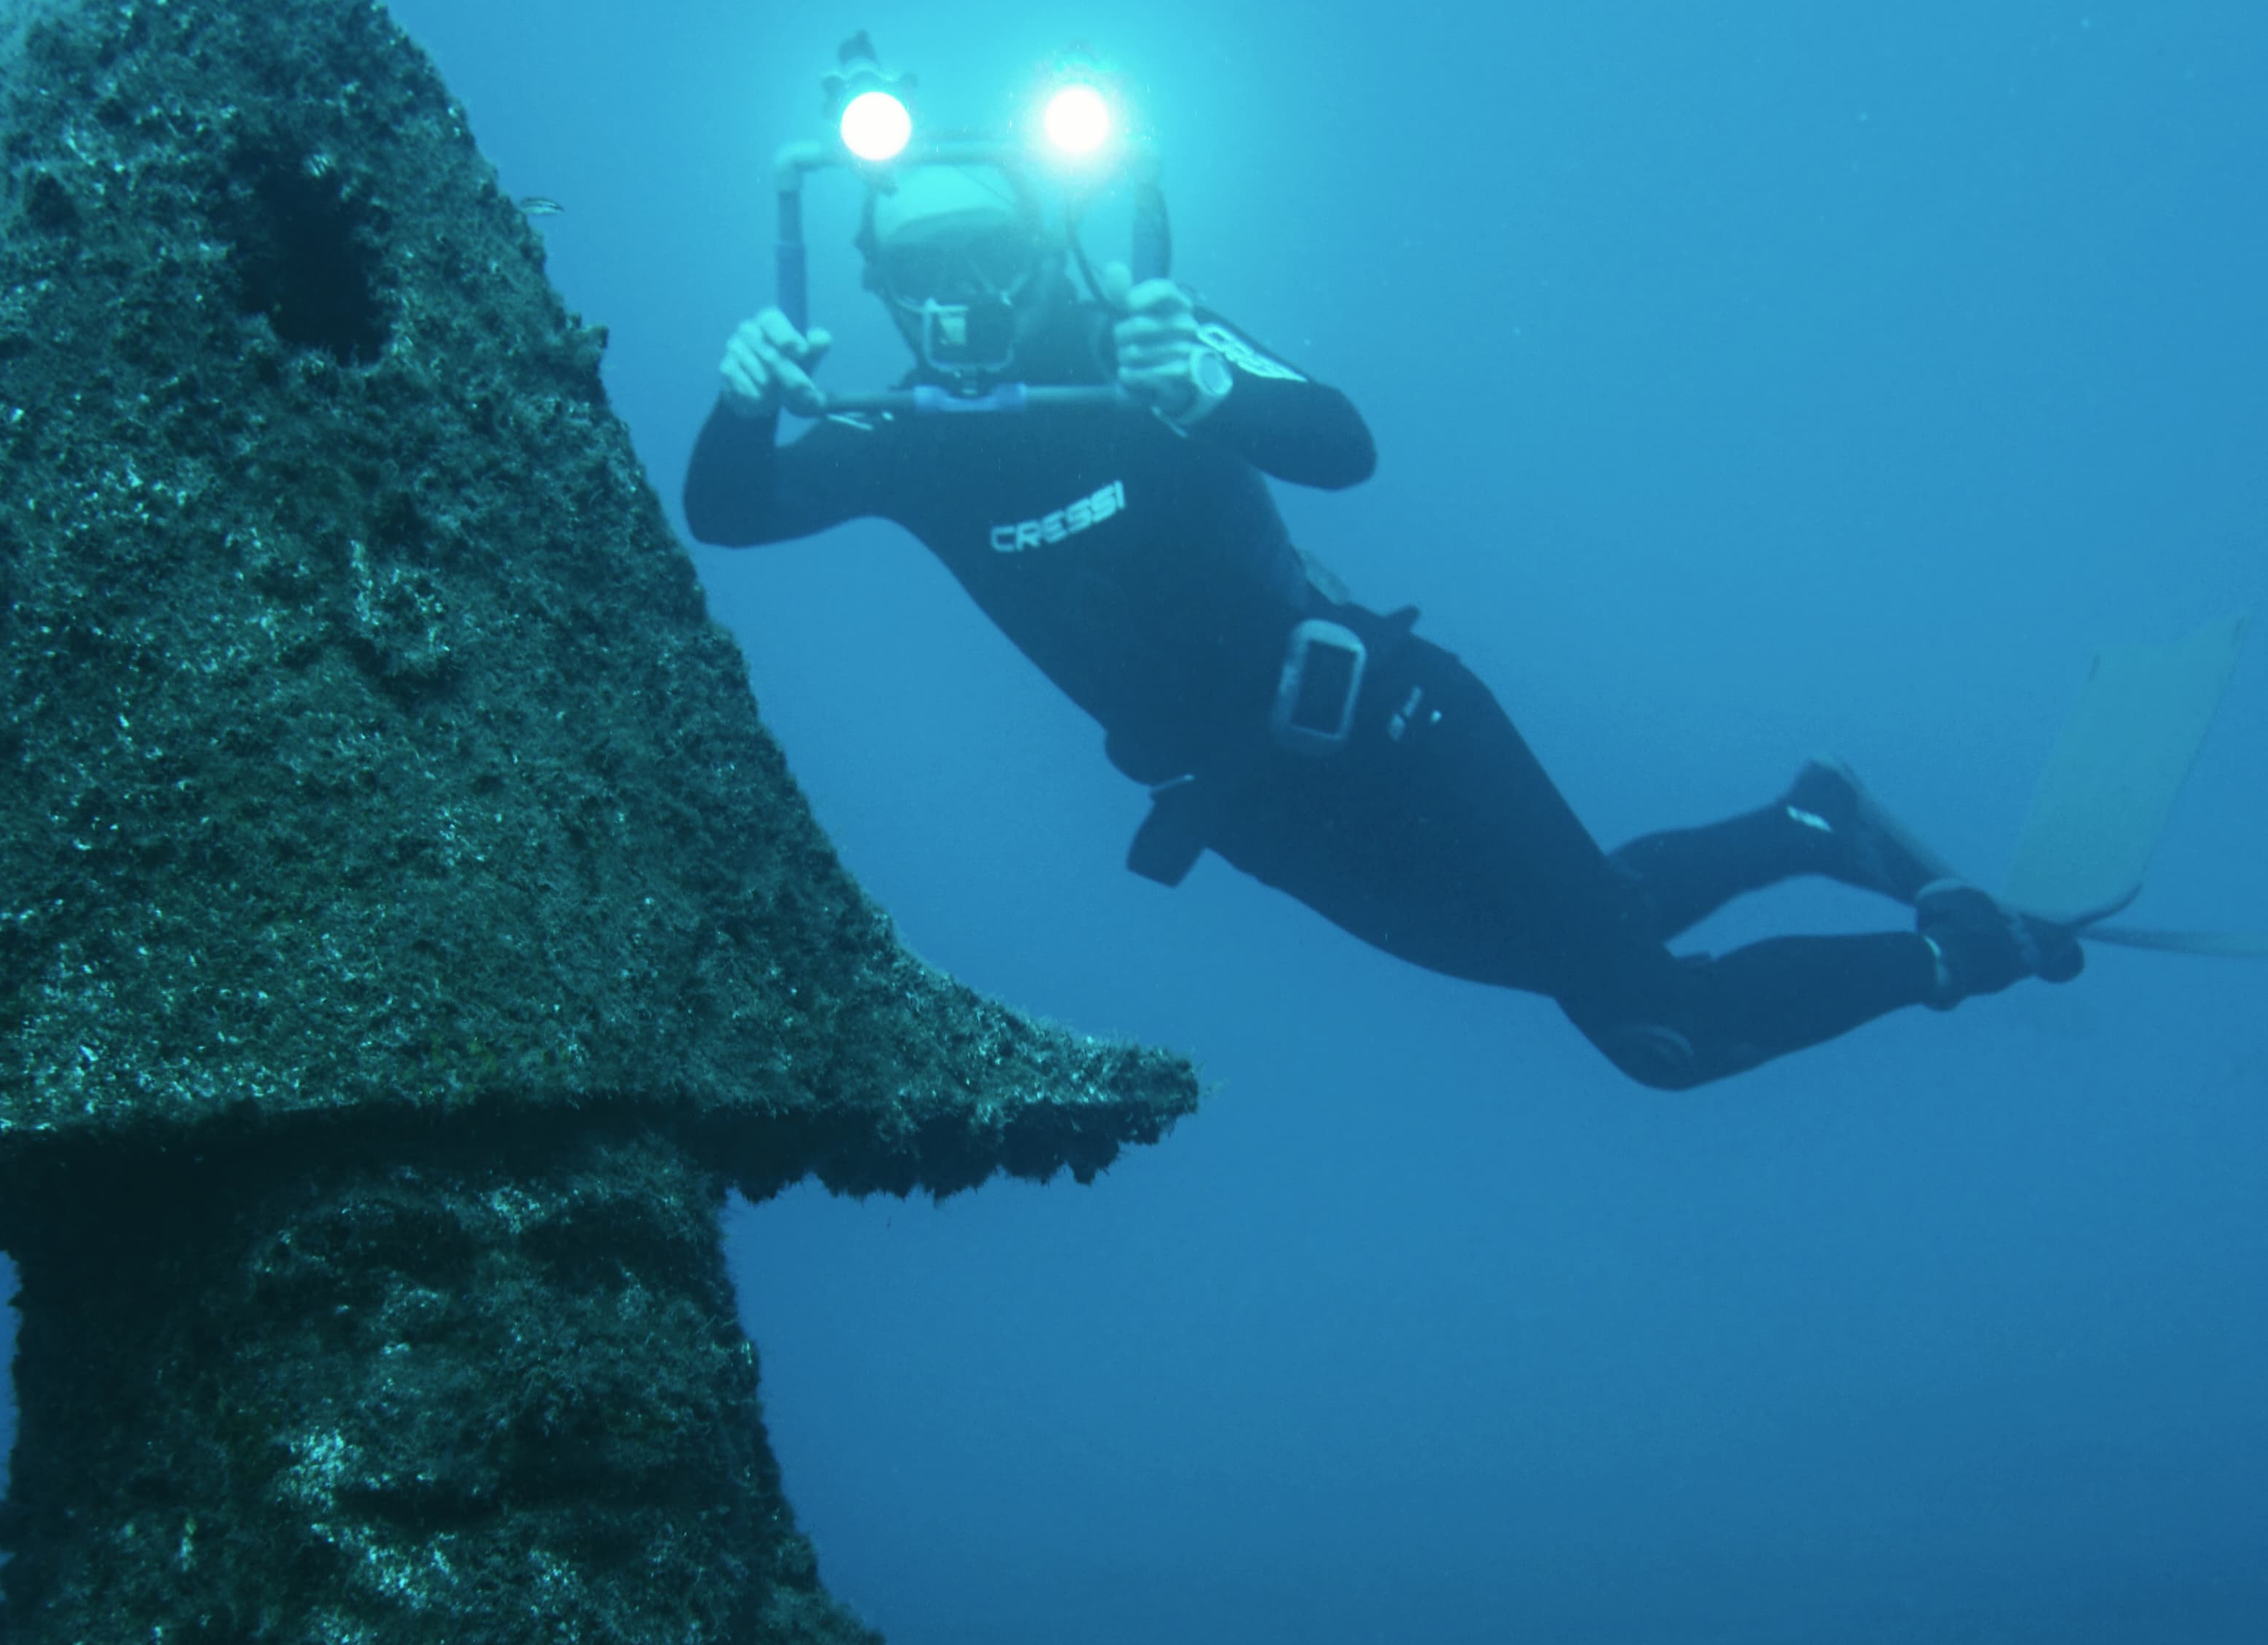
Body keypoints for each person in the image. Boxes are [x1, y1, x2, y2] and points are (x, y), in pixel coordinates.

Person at [685, 155, 2082, 1090]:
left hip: (1394, 720)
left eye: (986, 256)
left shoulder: (1150, 347)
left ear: (1046, 250)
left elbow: (1340, 445)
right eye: (917, 274)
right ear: (877, 288)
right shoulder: (900, 439)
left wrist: (1209, 394)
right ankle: (1808, 823)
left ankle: (1959, 953)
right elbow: (729, 510)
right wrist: (744, 400)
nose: (956, 300)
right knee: (1587, 938)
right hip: (1250, 810)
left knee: (1652, 1024)